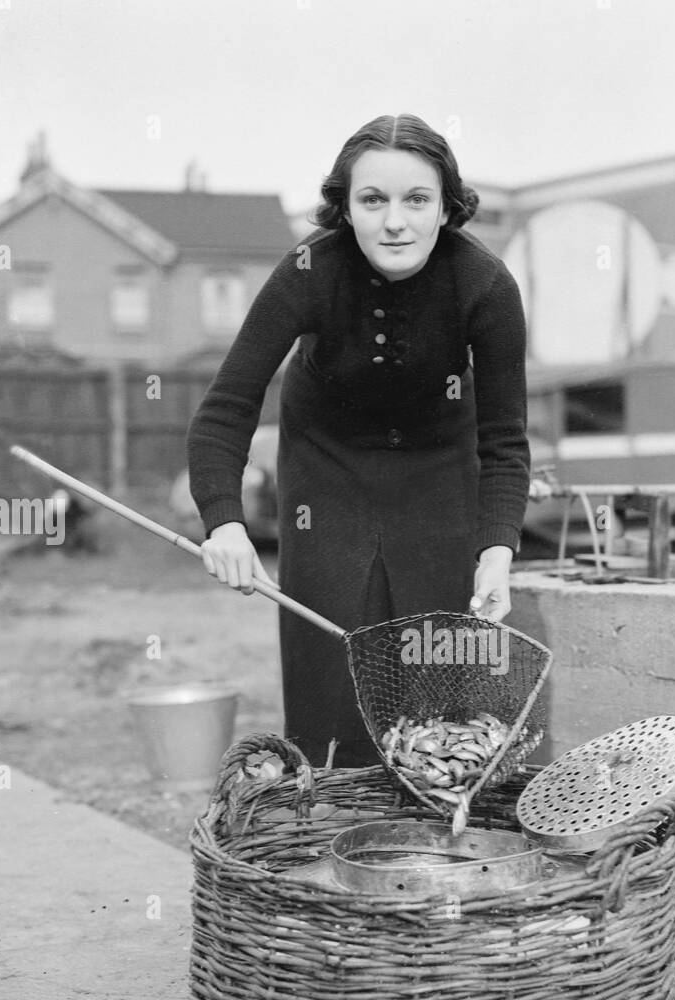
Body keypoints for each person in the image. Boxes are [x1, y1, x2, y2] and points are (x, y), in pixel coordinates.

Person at [187, 113, 531, 766]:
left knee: (435, 667)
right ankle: (332, 818)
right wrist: (223, 523)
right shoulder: (309, 269)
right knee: (333, 667)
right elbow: (224, 411)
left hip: (436, 468)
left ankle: (429, 825)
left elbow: (506, 444)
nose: (394, 222)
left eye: (416, 200)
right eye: (372, 200)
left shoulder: (486, 287)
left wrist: (496, 551)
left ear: (447, 207)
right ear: (345, 207)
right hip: (327, 465)